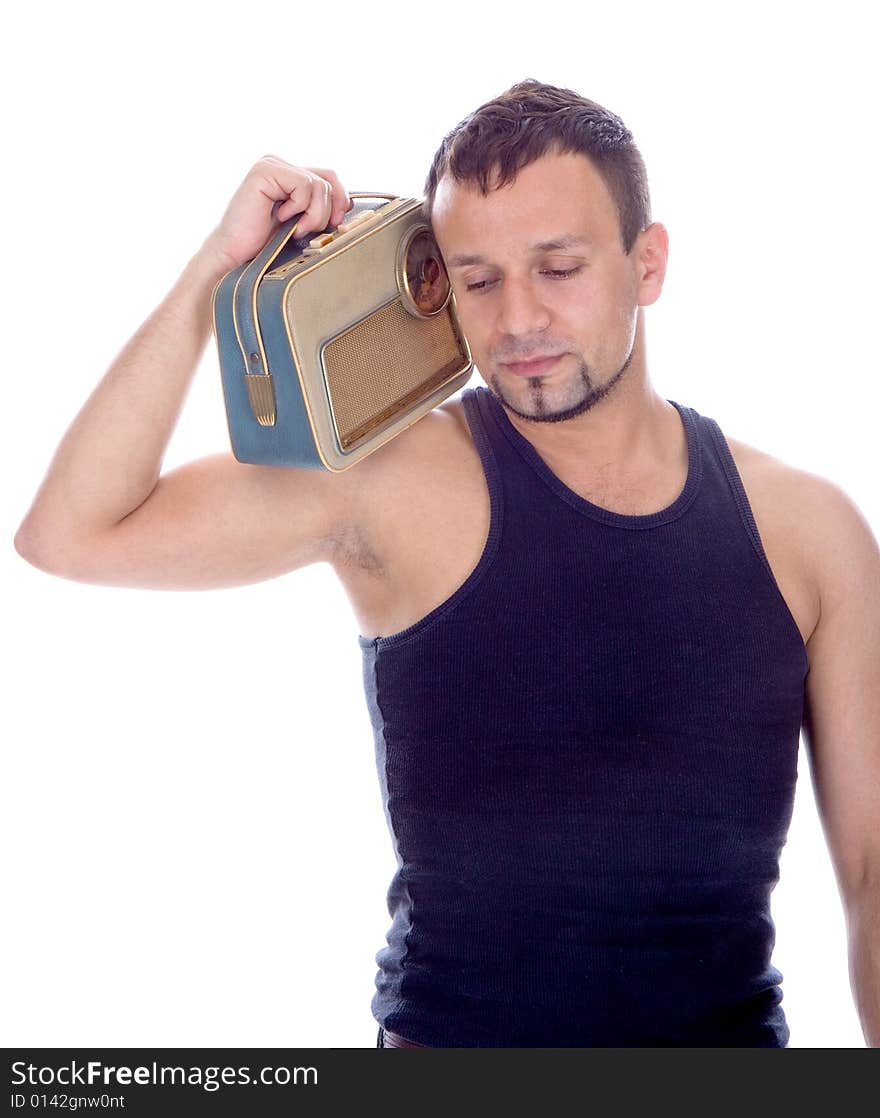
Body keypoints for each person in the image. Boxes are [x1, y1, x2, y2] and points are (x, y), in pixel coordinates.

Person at [13, 79, 879, 1049]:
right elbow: (73, 532)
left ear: (647, 263)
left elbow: (871, 871)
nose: (516, 320)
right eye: (477, 278)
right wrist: (217, 279)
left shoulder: (809, 528)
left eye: (558, 267)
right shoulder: (383, 480)